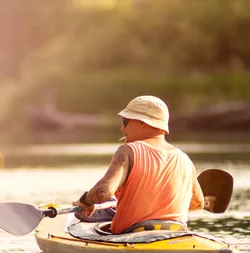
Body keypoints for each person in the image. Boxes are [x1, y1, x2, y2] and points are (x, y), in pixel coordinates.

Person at [73, 95, 204, 234]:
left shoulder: (127, 151)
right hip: (176, 233)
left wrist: (86, 201)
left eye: (126, 121)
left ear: (143, 123)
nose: (122, 129)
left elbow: (103, 192)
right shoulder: (185, 159)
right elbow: (197, 203)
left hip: (132, 236)